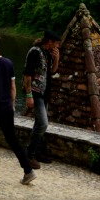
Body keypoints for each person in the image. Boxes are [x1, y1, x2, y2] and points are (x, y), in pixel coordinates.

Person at [0, 33, 36, 186]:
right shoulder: (8, 63)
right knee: (13, 140)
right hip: (6, 108)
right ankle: (28, 170)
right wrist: (13, 104)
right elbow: (13, 87)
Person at [24, 29, 61, 168]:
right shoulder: (35, 52)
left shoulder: (48, 53)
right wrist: (29, 96)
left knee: (38, 123)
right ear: (50, 42)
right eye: (56, 43)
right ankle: (29, 154)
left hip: (44, 92)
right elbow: (27, 75)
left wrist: (57, 59)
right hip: (35, 92)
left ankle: (36, 152)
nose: (57, 46)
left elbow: (52, 71)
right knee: (43, 124)